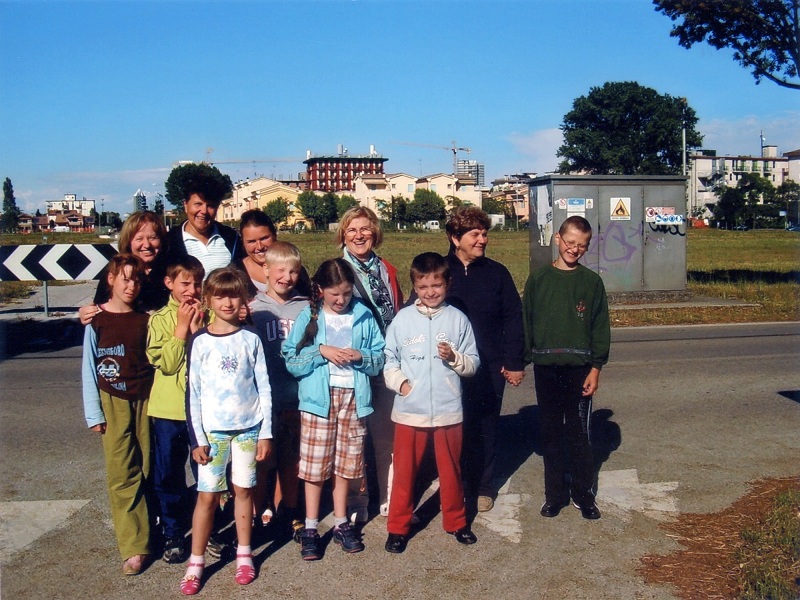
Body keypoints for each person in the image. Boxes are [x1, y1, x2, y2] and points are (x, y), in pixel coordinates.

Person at [281, 258, 385, 561]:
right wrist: (320, 350)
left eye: (347, 294)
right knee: (315, 468)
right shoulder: (308, 316)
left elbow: (379, 358)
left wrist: (361, 356)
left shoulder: (364, 315)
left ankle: (340, 523)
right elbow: (291, 359)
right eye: (334, 294)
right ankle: (311, 527)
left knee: (346, 466)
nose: (341, 301)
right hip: (318, 403)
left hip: (353, 399)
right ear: (320, 289)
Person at [181, 268, 273, 595]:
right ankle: (196, 562)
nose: (228, 302)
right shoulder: (200, 342)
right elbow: (192, 393)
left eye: (234, 294)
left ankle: (244, 555)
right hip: (214, 435)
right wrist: (197, 439)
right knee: (207, 497)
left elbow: (264, 387)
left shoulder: (251, 338)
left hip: (248, 430)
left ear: (243, 298)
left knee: (244, 491)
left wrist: (266, 433)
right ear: (208, 300)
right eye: (220, 295)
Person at [382, 252, 480, 554]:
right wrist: (403, 385)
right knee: (404, 473)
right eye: (423, 287)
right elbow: (389, 361)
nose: (430, 292)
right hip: (410, 412)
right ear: (415, 286)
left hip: (449, 411)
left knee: (450, 471)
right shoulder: (403, 320)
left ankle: (456, 521)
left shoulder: (457, 319)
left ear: (447, 283)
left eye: (436, 285)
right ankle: (398, 528)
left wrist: (455, 359)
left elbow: (473, 363)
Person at [522, 215, 610, 520]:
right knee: (550, 434)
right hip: (546, 369)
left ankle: (583, 495)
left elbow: (600, 326)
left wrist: (596, 367)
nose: (575, 249)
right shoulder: (539, 279)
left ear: (587, 247)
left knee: (578, 436)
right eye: (570, 242)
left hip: (579, 370)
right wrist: (521, 361)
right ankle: (554, 495)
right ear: (558, 239)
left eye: (581, 245)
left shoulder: (591, 283)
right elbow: (527, 322)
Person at [444, 206, 525, 513]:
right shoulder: (440, 270)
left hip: (489, 365)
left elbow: (513, 319)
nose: (482, 240)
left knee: (485, 427)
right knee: (452, 427)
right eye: (474, 234)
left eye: (484, 233)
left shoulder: (497, 273)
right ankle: (454, 484)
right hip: (447, 367)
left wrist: (514, 361)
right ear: (455, 238)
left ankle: (483, 486)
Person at [81, 253, 154, 576]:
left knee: (149, 468)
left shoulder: (144, 319)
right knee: (122, 474)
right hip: (111, 400)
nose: (131, 285)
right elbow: (87, 368)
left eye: (136, 279)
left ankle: (154, 533)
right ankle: (133, 546)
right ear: (110, 280)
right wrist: (93, 413)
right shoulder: (96, 320)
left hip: (146, 401)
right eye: (125, 278)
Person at [336, 206, 403, 520]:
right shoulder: (338, 269)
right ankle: (358, 501)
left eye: (365, 229)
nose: (359, 235)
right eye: (352, 230)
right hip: (353, 364)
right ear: (343, 235)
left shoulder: (386, 268)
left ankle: (388, 496)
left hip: (386, 360)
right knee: (354, 435)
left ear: (375, 232)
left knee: (385, 434)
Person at [146, 255, 206, 564]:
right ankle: (171, 531)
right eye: (185, 283)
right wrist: (182, 330)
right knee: (169, 473)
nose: (192, 289)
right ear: (169, 284)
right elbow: (167, 364)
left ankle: (205, 528)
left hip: (201, 412)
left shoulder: (207, 315)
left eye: (197, 283)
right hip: (168, 410)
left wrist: (198, 331)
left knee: (205, 472)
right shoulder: (159, 320)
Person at [249, 242, 309, 540]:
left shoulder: (306, 307)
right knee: (262, 460)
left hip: (295, 397)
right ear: (266, 270)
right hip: (262, 400)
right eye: (281, 270)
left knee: (291, 458)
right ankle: (257, 513)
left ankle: (291, 509)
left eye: (294, 271)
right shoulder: (252, 309)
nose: (287, 276)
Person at [79, 211, 170, 324]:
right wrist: (87, 314)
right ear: (128, 242)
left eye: (153, 238)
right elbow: (100, 307)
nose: (147, 245)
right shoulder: (115, 271)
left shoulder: (171, 270)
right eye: (139, 239)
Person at [164, 162, 244, 278]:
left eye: (210, 206)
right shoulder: (169, 243)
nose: (204, 211)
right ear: (185, 205)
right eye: (198, 204)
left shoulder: (231, 238)